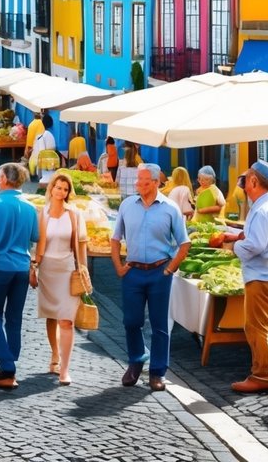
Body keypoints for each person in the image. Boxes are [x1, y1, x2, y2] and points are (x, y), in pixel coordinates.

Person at [110, 163, 189, 392]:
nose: (138, 184)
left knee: (159, 325)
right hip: (133, 272)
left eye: (144, 181)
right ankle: (135, 361)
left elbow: (184, 243)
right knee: (131, 321)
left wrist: (169, 269)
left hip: (159, 272)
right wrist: (118, 266)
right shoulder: (127, 205)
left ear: (155, 182)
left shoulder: (170, 208)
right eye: (138, 180)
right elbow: (115, 239)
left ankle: (157, 372)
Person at [224, 160, 268, 394]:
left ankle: (261, 375)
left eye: (246, 179)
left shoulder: (262, 209)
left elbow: (256, 244)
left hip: (262, 275)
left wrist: (233, 248)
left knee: (256, 327)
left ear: (254, 181)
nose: (243, 185)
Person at [0, 162, 39, 390]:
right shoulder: (31, 208)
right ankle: (12, 360)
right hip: (21, 267)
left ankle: (7, 364)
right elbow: (34, 237)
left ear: (6, 179)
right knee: (15, 317)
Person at [34, 172, 86, 386]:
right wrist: (33, 266)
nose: (61, 192)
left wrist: (83, 269)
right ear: (51, 189)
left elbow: (81, 243)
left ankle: (64, 368)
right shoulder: (41, 213)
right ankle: (54, 354)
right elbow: (36, 243)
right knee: (51, 316)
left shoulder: (74, 214)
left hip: (67, 270)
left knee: (66, 319)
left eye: (65, 189)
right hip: (47, 270)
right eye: (58, 187)